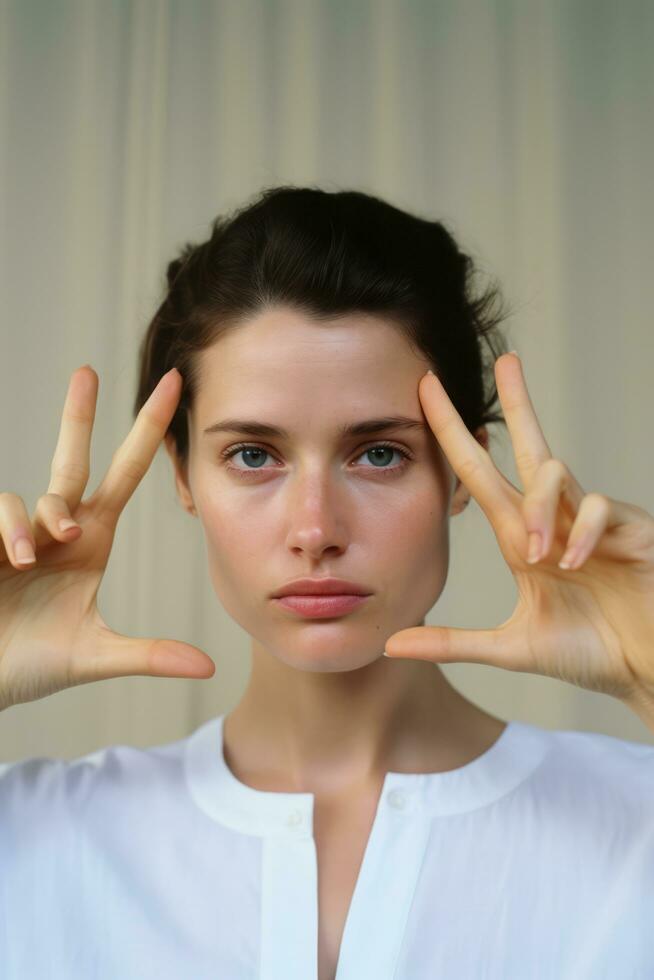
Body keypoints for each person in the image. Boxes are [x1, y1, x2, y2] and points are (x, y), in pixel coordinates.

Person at [0, 185, 653, 979]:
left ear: (462, 474)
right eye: (253, 455)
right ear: (181, 474)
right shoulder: (30, 836)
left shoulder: (634, 822)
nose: (315, 530)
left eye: (378, 453)